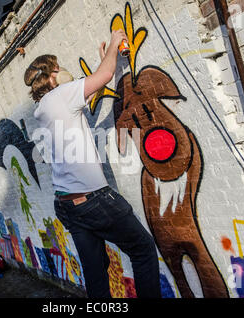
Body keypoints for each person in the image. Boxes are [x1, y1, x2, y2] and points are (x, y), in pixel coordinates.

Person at [24, 29, 161, 298]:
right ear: (52, 76)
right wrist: (113, 43)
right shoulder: (60, 95)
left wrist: (106, 58)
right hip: (93, 201)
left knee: (96, 271)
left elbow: (94, 85)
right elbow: (104, 77)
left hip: (68, 204)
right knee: (143, 249)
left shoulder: (44, 107)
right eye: (58, 67)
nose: (64, 70)